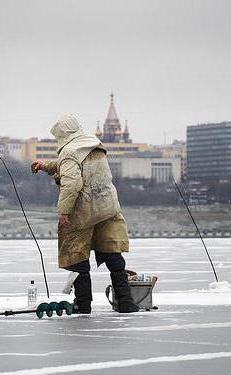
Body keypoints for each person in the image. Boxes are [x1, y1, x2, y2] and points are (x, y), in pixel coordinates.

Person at [31, 113, 139, 314]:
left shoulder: (69, 151)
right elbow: (69, 165)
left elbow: (72, 183)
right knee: (112, 253)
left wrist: (64, 211)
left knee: (77, 255)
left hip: (84, 209)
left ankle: (83, 303)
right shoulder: (93, 145)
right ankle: (126, 302)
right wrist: (46, 166)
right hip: (108, 207)